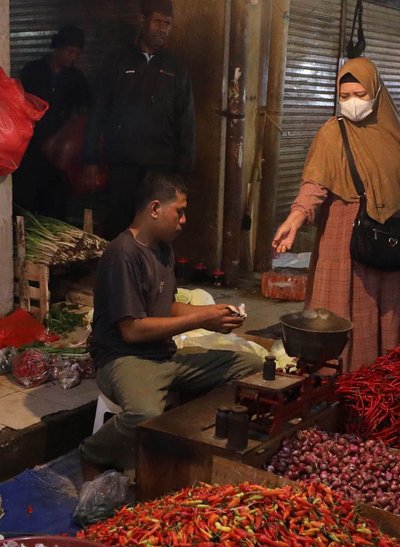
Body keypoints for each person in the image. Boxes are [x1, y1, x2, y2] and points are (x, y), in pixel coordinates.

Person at [79, 171, 262, 479]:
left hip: (164, 355)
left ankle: (187, 439)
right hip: (124, 358)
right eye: (179, 211)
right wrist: (203, 318)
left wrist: (213, 313)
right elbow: (132, 330)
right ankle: (93, 452)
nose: (184, 220)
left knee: (250, 364)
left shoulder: (163, 248)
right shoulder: (122, 254)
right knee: (144, 413)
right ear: (154, 209)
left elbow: (168, 305)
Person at [272, 57, 400, 373]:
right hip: (345, 236)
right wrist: (295, 219)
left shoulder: (394, 133)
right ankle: (342, 381)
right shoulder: (332, 134)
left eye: (359, 94)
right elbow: (314, 185)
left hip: (393, 237)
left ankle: (382, 378)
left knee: (385, 310)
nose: (352, 103)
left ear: (376, 92)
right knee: (341, 311)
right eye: (344, 97)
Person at [83, 0, 195, 240]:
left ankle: (154, 274)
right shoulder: (117, 61)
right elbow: (98, 112)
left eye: (168, 24)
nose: (163, 28)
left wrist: (182, 170)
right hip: (123, 163)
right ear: (142, 21)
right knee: (120, 222)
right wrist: (91, 159)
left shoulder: (176, 68)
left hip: (160, 165)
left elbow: (186, 121)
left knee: (159, 226)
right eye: (158, 21)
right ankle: (119, 272)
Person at [13, 25, 90, 219]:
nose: (73, 58)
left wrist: (63, 136)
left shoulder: (77, 78)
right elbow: (19, 103)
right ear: (58, 48)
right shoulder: (33, 70)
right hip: (30, 148)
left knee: (54, 203)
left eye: (77, 54)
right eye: (70, 52)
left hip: (58, 154)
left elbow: (84, 111)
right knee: (25, 201)